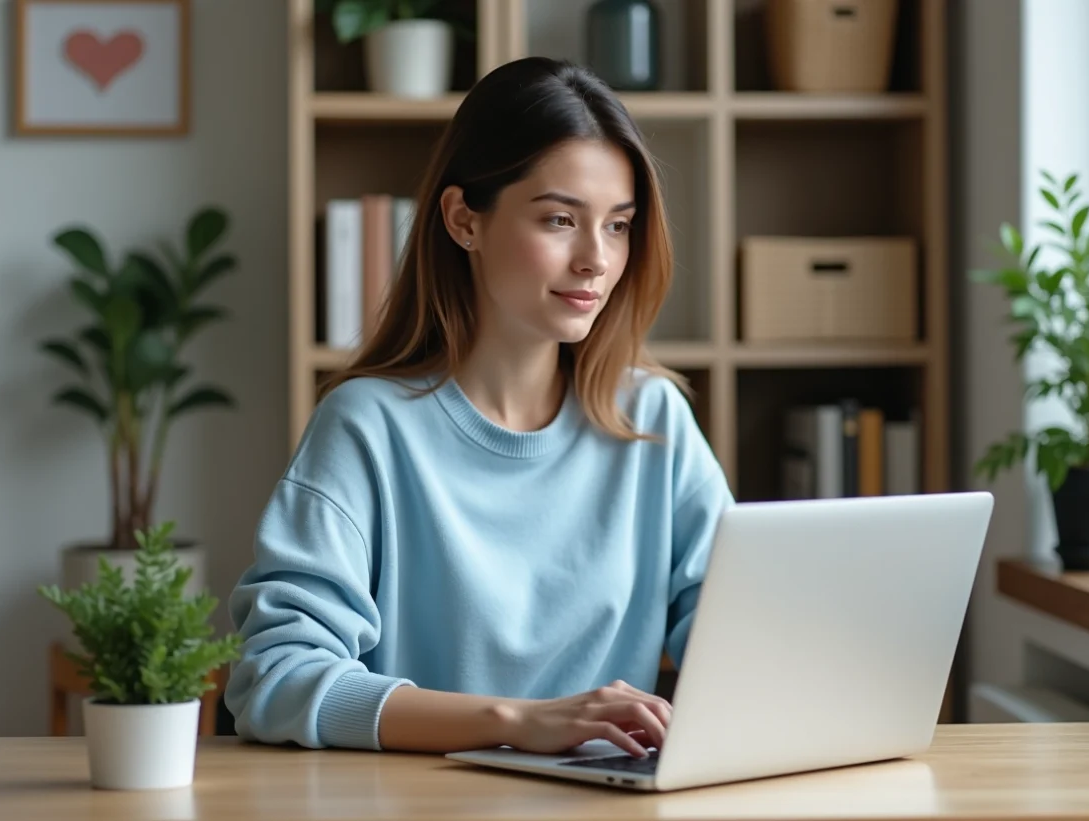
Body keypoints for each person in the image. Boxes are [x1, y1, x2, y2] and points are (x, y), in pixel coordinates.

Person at [224, 56, 734, 760]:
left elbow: (738, 639)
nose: (596, 259)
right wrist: (515, 720)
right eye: (560, 219)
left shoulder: (654, 422)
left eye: (618, 225)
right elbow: (275, 681)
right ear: (464, 220)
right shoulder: (368, 426)